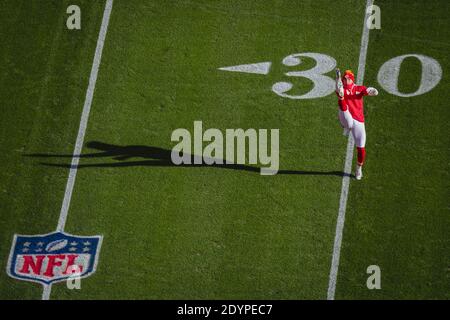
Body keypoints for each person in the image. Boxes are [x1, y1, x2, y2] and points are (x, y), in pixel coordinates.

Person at [335, 69, 378, 180]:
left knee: (361, 148)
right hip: (345, 116)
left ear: (352, 79)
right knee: (348, 120)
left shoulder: (358, 89)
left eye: (348, 78)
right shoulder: (342, 89)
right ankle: (346, 126)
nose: (346, 80)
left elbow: (366, 90)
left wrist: (371, 90)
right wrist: (338, 85)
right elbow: (339, 89)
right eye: (344, 78)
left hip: (358, 120)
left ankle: (359, 168)